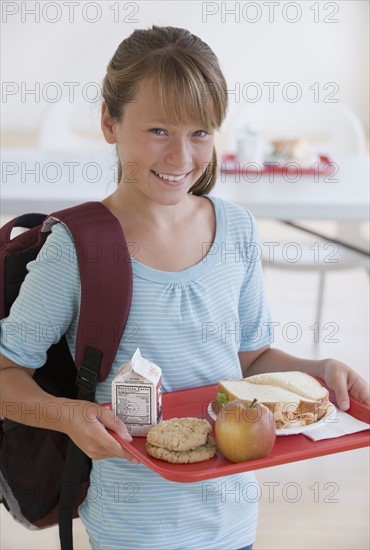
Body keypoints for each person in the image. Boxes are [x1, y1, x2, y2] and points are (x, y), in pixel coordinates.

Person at [0, 25, 369, 550]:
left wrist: (315, 372)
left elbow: (249, 359)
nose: (180, 159)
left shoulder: (237, 229)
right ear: (109, 121)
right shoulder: (76, 247)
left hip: (232, 521)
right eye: (157, 131)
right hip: (131, 530)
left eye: (199, 133)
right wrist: (68, 416)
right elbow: (5, 373)